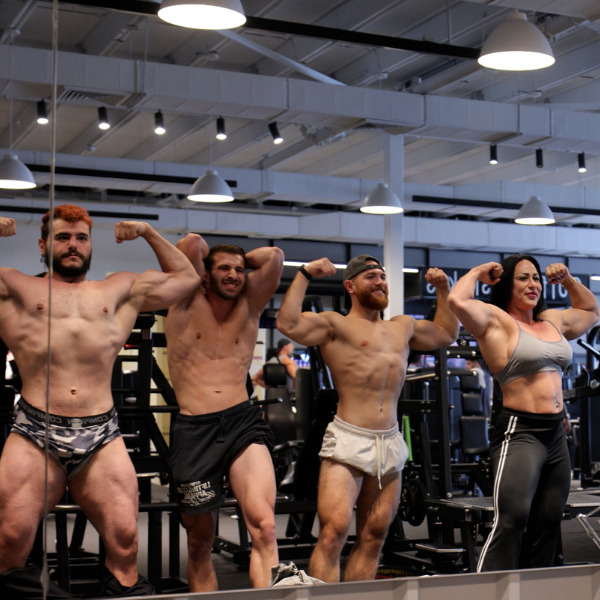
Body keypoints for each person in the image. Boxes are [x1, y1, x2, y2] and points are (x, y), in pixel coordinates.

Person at [0, 205, 199, 599]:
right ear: (43, 245)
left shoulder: (119, 288)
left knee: (125, 543)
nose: (73, 245)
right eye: (62, 237)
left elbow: (188, 279)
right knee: (8, 543)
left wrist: (148, 232)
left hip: (101, 434)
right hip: (34, 432)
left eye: (81, 237)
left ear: (91, 244)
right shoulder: (15, 286)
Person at [275, 254, 459, 582]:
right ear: (350, 286)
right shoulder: (335, 324)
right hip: (349, 437)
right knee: (333, 534)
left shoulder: (402, 326)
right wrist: (304, 273)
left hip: (389, 441)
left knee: (374, 536)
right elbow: (287, 324)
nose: (380, 282)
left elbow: (446, 333)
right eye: (370, 276)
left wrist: (444, 289)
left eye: (382, 276)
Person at [448, 256, 599, 571]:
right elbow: (457, 300)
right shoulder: (496, 321)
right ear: (506, 284)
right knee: (513, 519)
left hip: (556, 435)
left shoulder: (551, 320)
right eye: (523, 278)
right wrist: (478, 271)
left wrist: (568, 280)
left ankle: (534, 590)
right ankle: (486, 590)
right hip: (521, 431)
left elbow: (590, 311)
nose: (533, 284)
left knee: (549, 521)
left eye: (536, 278)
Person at [165, 238, 284, 591]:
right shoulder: (184, 300)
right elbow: (190, 244)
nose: (233, 275)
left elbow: (275, 257)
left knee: (265, 526)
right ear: (204, 274)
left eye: (239, 270)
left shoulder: (250, 305)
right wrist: (207, 263)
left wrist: (239, 261)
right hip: (194, 431)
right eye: (224, 268)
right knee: (200, 542)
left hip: (242, 423)